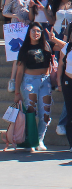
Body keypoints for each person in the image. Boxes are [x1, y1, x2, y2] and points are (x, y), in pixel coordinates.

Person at [14, 23, 55, 151]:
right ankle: (31, 140)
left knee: (45, 113)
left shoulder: (46, 46)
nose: (36, 33)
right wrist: (16, 92)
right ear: (29, 32)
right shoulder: (24, 49)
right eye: (33, 30)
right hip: (29, 81)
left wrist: (54, 39)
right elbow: (19, 72)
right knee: (31, 111)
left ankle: (40, 139)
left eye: (38, 31)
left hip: (45, 81)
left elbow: (65, 47)